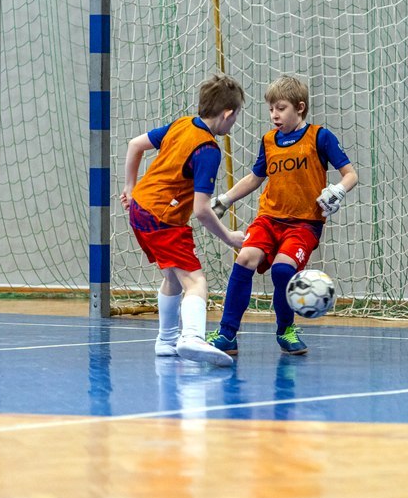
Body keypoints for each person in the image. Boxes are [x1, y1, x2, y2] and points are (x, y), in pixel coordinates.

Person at [207, 75, 357, 355]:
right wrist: (225, 199)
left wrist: (338, 190)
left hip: (304, 224)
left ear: (300, 107)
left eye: (281, 108)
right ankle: (227, 334)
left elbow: (350, 174)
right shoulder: (268, 141)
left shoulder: (320, 137)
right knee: (245, 259)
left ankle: (286, 330)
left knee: (283, 270)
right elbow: (255, 178)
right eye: (271, 109)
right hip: (268, 219)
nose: (274, 115)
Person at [119, 73, 246, 367]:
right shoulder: (207, 150)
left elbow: (134, 144)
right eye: (236, 116)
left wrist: (129, 187)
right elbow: (201, 210)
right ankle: (192, 336)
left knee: (172, 278)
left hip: (140, 209)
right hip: (162, 218)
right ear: (227, 114)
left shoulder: (182, 124)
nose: (234, 122)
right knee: (195, 281)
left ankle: (166, 340)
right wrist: (229, 237)